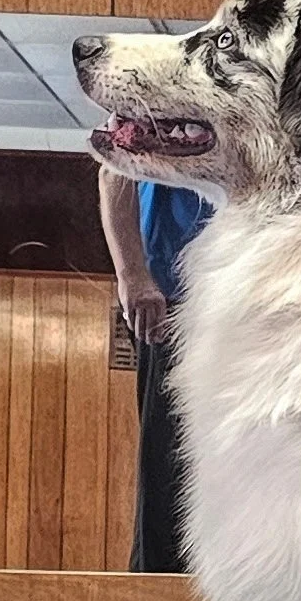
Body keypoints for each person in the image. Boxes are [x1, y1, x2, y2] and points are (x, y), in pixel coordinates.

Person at [97, 171, 213, 573]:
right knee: (167, 455)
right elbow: (113, 174)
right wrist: (132, 277)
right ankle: (155, 577)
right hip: (172, 301)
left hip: (242, 302)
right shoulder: (160, 109)